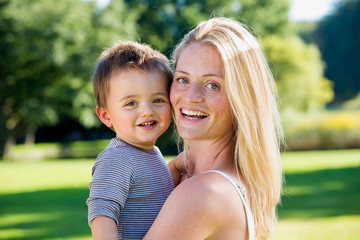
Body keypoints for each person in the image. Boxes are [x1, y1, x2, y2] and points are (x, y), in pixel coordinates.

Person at [144, 17, 284, 240]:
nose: (190, 97)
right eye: (182, 79)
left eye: (212, 85)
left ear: (243, 99)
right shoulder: (222, 183)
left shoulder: (204, 193)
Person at [86, 41, 175, 240]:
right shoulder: (117, 159)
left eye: (158, 100)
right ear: (106, 116)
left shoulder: (150, 153)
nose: (146, 111)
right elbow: (102, 215)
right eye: (131, 103)